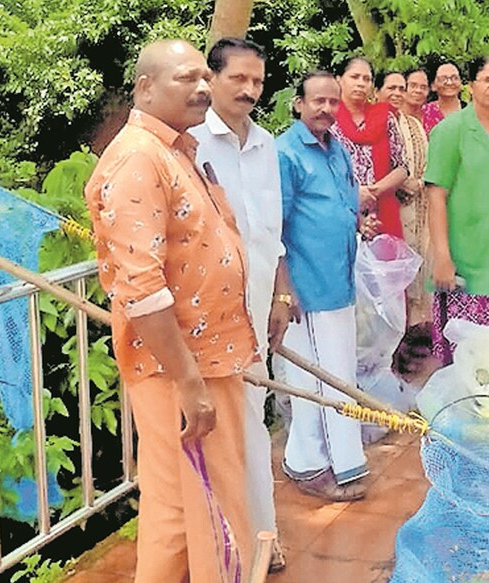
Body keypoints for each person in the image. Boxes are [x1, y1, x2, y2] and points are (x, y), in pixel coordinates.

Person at [84, 39, 256, 581]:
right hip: (183, 368)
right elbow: (143, 289)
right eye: (187, 78)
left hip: (203, 361)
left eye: (206, 77)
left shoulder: (172, 150)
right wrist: (189, 382)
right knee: (212, 511)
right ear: (146, 88)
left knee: (180, 512)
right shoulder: (138, 157)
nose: (204, 88)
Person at [188, 37, 286, 572]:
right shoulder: (192, 146)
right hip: (207, 319)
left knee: (253, 421)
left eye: (257, 81)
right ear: (212, 79)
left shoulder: (266, 145)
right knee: (216, 431)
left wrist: (280, 297)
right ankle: (230, 545)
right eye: (238, 80)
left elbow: (273, 232)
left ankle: (263, 538)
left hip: (256, 311)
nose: (249, 90)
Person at [276, 70, 379, 501]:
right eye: (317, 101)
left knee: (338, 373)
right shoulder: (285, 152)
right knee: (313, 378)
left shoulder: (338, 149)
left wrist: (358, 222)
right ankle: (307, 464)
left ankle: (344, 460)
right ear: (298, 104)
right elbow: (274, 225)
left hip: (339, 278)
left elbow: (344, 200)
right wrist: (284, 290)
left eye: (332, 102)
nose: (326, 109)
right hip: (305, 288)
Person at [425, 56, 489, 362]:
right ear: (472, 86)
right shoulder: (451, 130)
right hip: (468, 259)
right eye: (487, 79)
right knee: (466, 361)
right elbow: (435, 196)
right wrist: (442, 256)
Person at [331, 57, 408, 240]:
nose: (361, 83)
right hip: (338, 213)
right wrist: (355, 194)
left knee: (383, 267)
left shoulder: (385, 117)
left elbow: (402, 168)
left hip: (382, 214)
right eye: (355, 77)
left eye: (366, 79)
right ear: (339, 79)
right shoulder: (327, 119)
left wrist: (373, 191)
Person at [377, 71, 432, 322]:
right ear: (376, 91)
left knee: (418, 269)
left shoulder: (414, 124)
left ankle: (416, 331)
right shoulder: (369, 123)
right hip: (385, 208)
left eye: (402, 89)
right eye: (392, 88)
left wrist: (418, 183)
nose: (398, 94)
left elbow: (428, 164)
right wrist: (398, 183)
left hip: (419, 207)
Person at [423, 58, 465, 134]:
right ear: (433, 85)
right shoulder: (424, 113)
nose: (449, 82)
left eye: (454, 78)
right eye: (443, 79)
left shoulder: (472, 112)